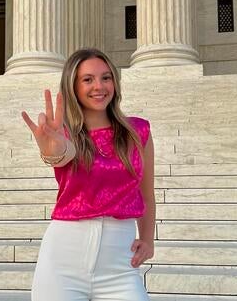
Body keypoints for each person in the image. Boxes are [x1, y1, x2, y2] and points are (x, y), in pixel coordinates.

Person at [21, 47, 155, 301]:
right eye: (87, 79)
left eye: (106, 77)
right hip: (63, 263)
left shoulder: (138, 131)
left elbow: (146, 194)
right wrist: (53, 149)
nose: (99, 86)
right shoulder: (65, 135)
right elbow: (62, 153)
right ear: (73, 86)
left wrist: (147, 240)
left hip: (119, 268)